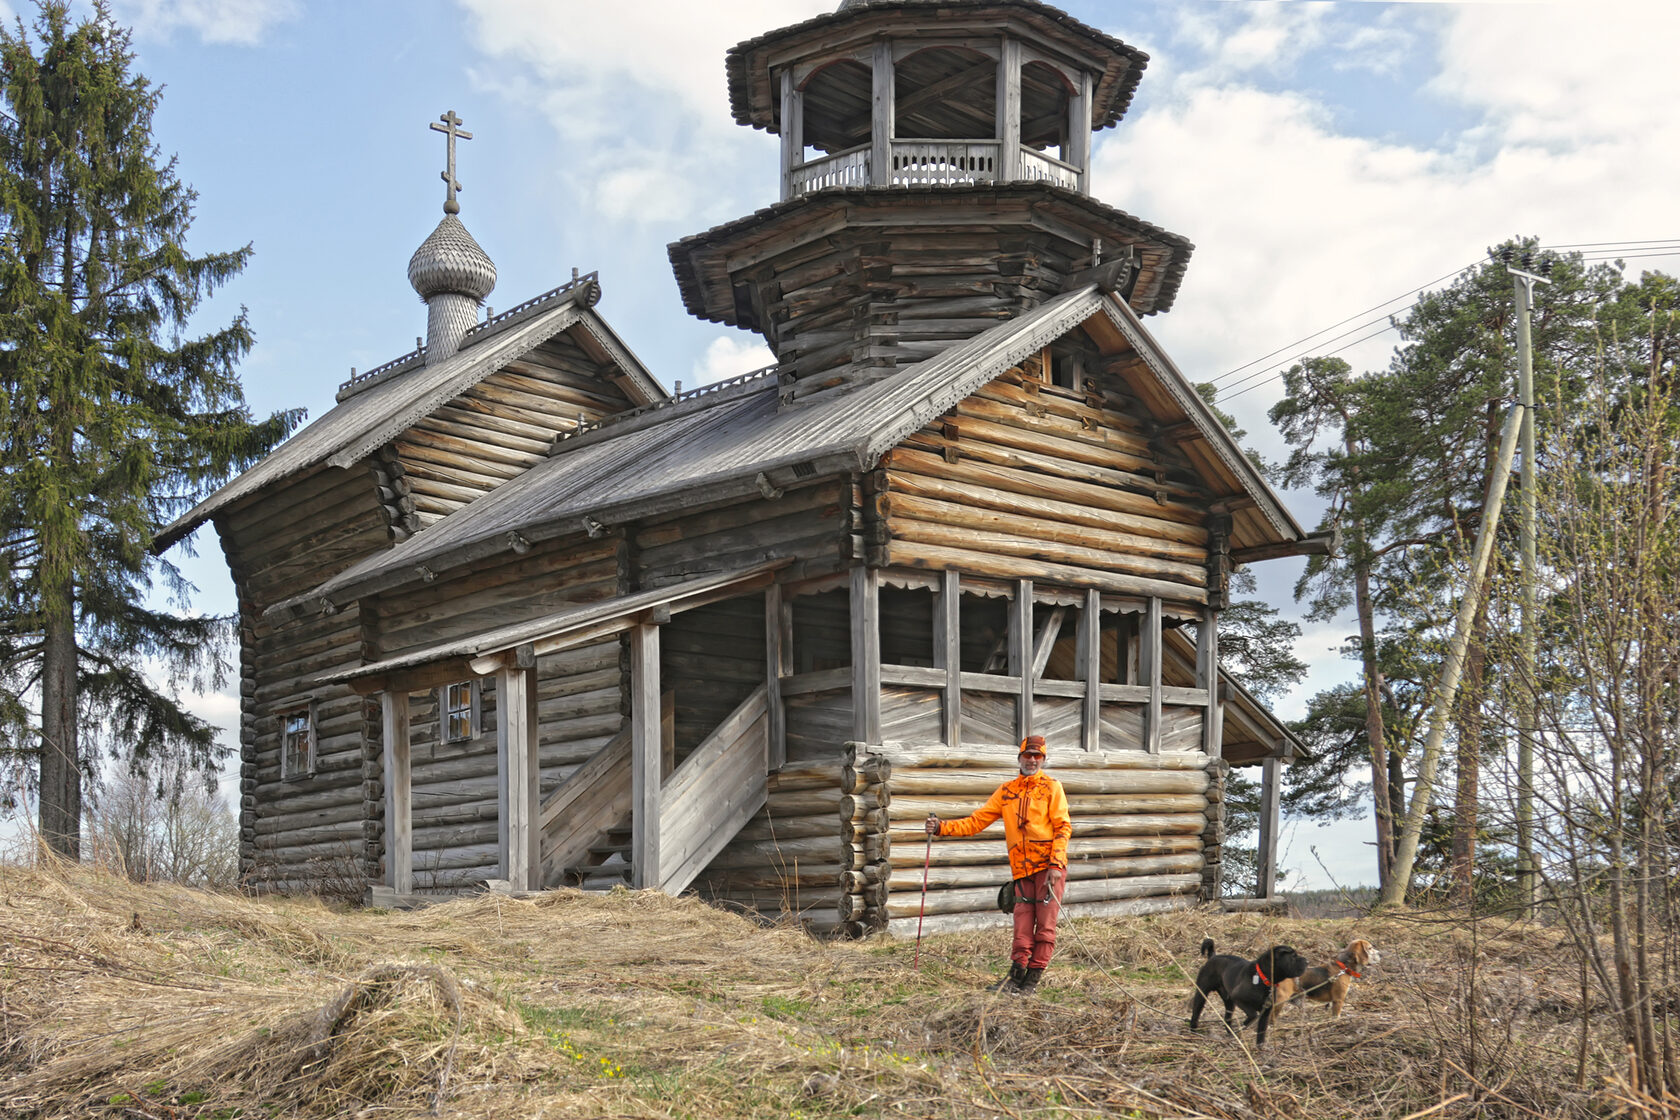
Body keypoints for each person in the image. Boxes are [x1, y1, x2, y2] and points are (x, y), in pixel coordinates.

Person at [924, 735, 1072, 995]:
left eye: (1038, 756)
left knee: (1045, 928)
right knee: (1022, 926)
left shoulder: (1052, 788)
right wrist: (941, 828)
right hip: (1022, 871)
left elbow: (1063, 827)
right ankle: (1014, 979)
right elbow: (975, 822)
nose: (1032, 760)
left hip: (1049, 871)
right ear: (1019, 757)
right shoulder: (1006, 791)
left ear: (1044, 760)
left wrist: (1056, 865)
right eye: (1028, 755)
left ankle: (1031, 983)